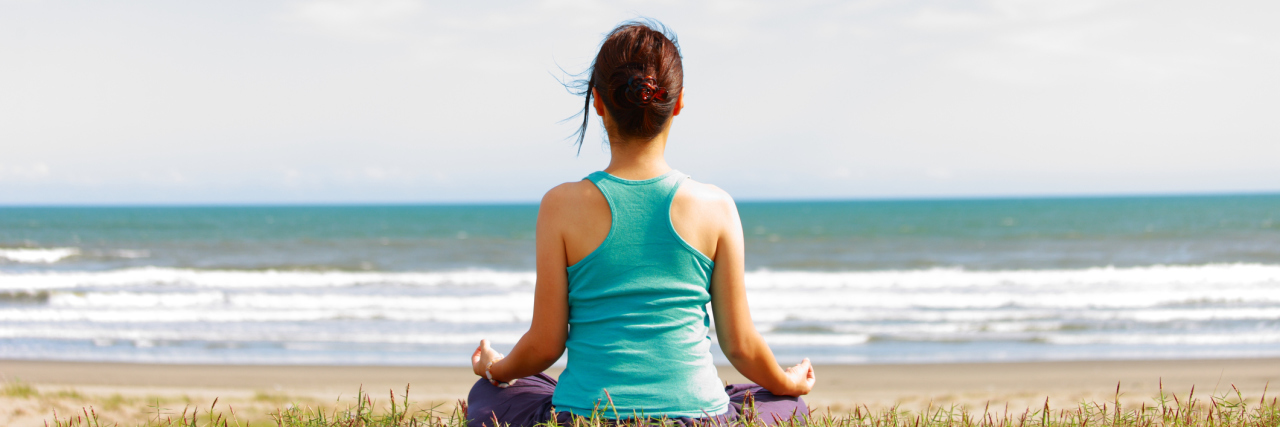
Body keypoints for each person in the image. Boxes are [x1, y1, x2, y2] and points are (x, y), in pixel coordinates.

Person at [466, 20, 815, 427]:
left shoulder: (560, 205)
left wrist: (496, 369)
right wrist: (786, 381)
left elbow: (545, 345)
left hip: (584, 416)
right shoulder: (716, 206)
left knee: (491, 394)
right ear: (679, 102)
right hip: (698, 417)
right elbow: (740, 346)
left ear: (597, 102)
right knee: (784, 405)